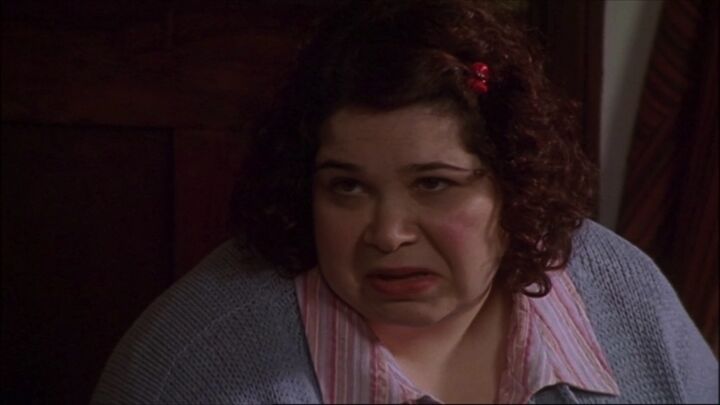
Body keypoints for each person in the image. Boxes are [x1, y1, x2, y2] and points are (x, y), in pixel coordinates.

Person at [92, 1, 718, 403]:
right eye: (347, 186)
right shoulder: (194, 364)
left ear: (514, 187)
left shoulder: (625, 295)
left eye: (433, 184)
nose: (387, 233)